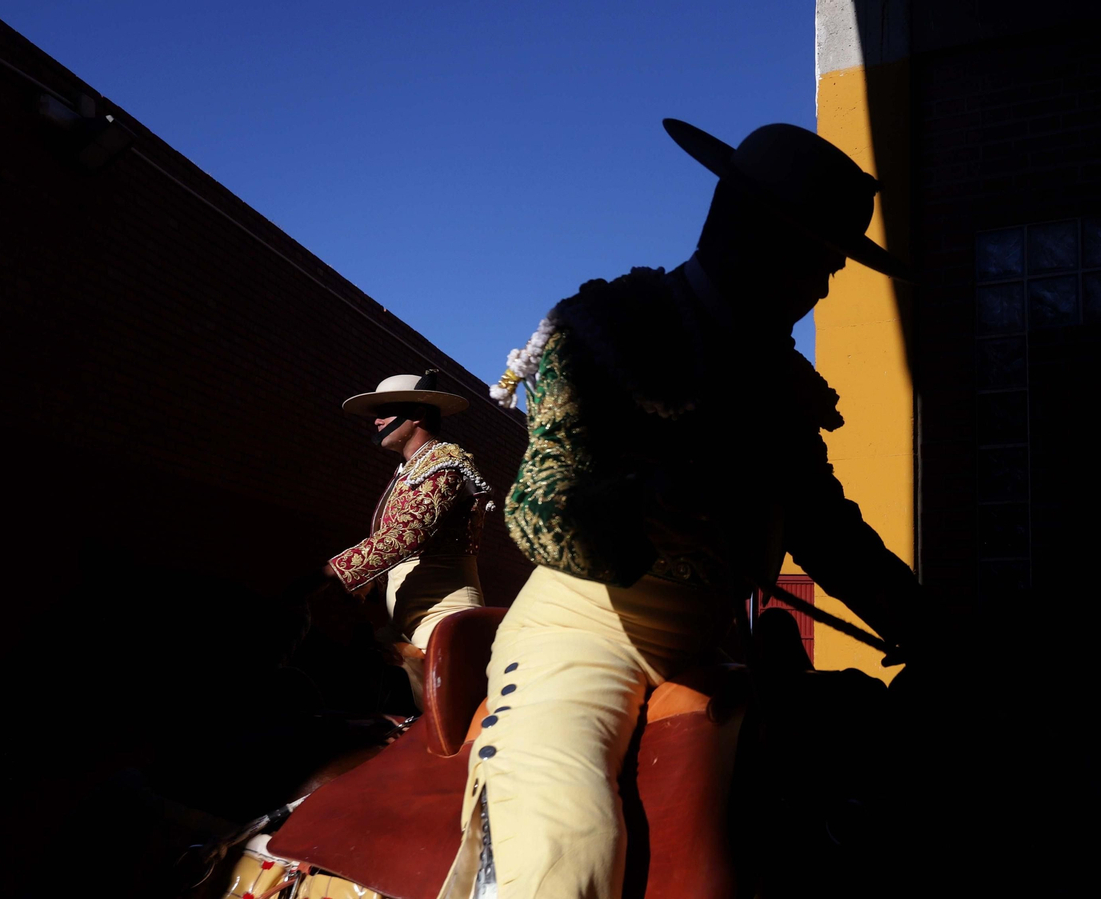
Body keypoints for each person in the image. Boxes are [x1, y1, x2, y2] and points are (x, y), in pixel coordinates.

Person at [439, 119, 924, 899]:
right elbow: (535, 506)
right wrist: (645, 503)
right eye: (818, 261)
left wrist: (924, 623)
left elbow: (824, 524)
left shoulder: (781, 384)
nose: (823, 289)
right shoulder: (612, 327)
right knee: (568, 851)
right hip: (583, 637)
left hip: (712, 649)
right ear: (752, 231)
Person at [323, 369, 494, 705]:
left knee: (451, 720)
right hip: (406, 621)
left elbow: (407, 533)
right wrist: (372, 583)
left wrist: (329, 573)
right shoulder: (412, 469)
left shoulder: (446, 463)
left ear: (417, 414)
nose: (376, 421)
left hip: (443, 617)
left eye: (385, 412)